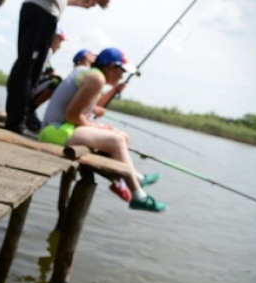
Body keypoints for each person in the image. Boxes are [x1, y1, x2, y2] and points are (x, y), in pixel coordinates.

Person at [39, 47, 166, 212]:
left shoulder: (92, 75)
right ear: (111, 67)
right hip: (53, 130)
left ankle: (130, 179)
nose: (122, 76)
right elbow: (72, 115)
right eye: (121, 71)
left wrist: (99, 123)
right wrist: (94, 125)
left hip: (64, 127)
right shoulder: (96, 79)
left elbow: (91, 108)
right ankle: (138, 195)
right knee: (116, 140)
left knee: (123, 136)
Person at [4, 0, 110, 134]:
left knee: (30, 67)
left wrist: (80, 3)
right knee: (28, 69)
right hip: (41, 12)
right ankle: (16, 120)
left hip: (44, 12)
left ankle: (18, 118)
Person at [25, 27, 67, 132]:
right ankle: (30, 110)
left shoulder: (42, 49)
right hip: (26, 88)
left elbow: (49, 70)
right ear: (53, 38)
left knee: (57, 80)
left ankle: (30, 110)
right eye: (59, 40)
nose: (60, 46)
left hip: (24, 87)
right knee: (56, 81)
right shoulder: (48, 51)